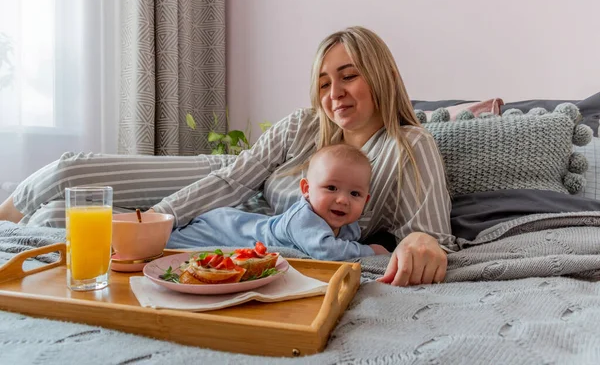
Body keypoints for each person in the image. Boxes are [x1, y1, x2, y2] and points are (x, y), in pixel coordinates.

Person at [0, 26, 456, 286]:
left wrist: (423, 241)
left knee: (64, 214)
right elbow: (234, 178)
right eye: (323, 83)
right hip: (229, 181)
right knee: (68, 169)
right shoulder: (302, 125)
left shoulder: (408, 146)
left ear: (379, 75)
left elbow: (431, 235)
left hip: (241, 221)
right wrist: (156, 220)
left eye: (348, 77)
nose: (333, 94)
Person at [166, 144, 390, 261]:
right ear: (306, 190)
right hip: (224, 229)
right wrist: (370, 251)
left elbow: (345, 242)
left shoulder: (348, 223)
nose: (343, 200)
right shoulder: (304, 217)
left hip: (239, 223)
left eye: (355, 194)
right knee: (165, 246)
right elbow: (326, 251)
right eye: (331, 188)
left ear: (366, 200)